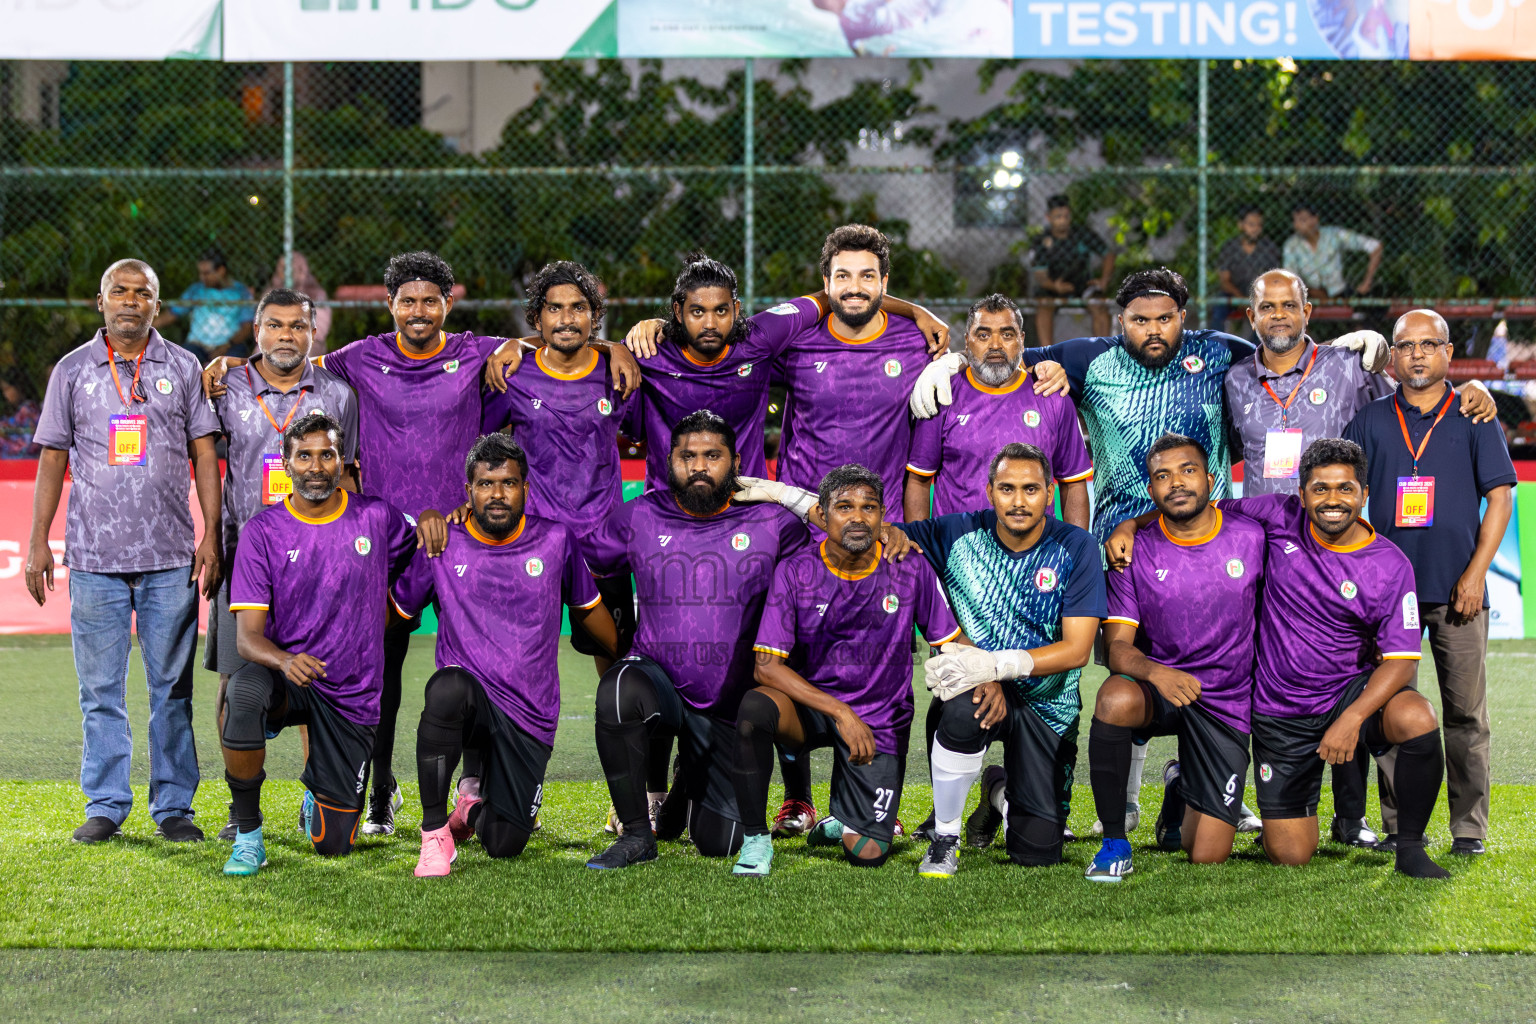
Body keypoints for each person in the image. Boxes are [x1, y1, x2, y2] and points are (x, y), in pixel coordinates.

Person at [911, 265, 1382, 834]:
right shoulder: (1088, 358)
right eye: (1139, 320)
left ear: (1183, 318)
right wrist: (947, 363)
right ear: (1120, 322)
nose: (1153, 329)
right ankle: (1127, 803)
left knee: (1223, 660)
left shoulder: (1218, 354)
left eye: (1164, 319)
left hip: (1209, 537)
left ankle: (1201, 780)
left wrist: (1346, 349)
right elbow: (1002, 348)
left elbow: (1281, 350)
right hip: (1124, 544)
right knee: (1126, 666)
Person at [206, 251, 525, 837]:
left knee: (480, 662)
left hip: (462, 539)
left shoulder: (478, 351)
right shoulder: (360, 357)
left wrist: (524, 345)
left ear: (449, 303)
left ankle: (474, 785)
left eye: (431, 300)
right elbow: (293, 362)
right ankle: (379, 790)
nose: (419, 310)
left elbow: (542, 347)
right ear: (390, 306)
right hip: (384, 544)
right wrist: (237, 363)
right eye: (408, 300)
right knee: (382, 667)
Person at [1224, 271, 1494, 846]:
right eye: (1266, 307)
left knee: (1413, 700)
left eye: (1289, 305)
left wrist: (1477, 391)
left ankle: (1406, 824)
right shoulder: (1239, 382)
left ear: (1308, 310)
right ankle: (1285, 803)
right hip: (1297, 565)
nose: (1278, 315)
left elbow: (1488, 484)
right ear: (1251, 316)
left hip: (1398, 572)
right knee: (1308, 688)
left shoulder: (1356, 374)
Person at [1108, 437, 1451, 879]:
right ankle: (1187, 787)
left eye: (1345, 489)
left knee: (1416, 715)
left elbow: (1402, 660)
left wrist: (1352, 719)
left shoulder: (1390, 563)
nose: (1332, 500)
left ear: (1364, 495)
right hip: (1280, 710)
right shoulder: (1276, 514)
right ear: (1302, 493)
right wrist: (1129, 526)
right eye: (1320, 488)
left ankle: (1410, 848)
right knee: (1287, 854)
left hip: (1348, 696)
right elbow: (1188, 508)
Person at [27, 259, 222, 845]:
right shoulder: (72, 371)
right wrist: (39, 538)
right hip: (92, 560)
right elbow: (52, 459)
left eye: (143, 294)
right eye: (121, 291)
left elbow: (205, 455)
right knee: (100, 693)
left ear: (157, 307)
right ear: (101, 301)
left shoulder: (183, 366)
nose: (131, 301)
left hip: (169, 557)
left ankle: (174, 808)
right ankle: (107, 804)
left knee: (173, 690)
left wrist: (211, 531)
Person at [578, 411, 812, 871]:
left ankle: (689, 779)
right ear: (670, 461)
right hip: (658, 683)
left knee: (719, 842)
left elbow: (841, 538)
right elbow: (573, 553)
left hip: (728, 707)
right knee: (620, 688)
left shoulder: (772, 521)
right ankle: (637, 836)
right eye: (687, 456)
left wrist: (788, 495)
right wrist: (610, 637)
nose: (699, 466)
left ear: (736, 462)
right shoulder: (642, 513)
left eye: (712, 456)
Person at [221, 414, 435, 876]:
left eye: (326, 455)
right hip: (291, 675)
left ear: (343, 462)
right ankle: (247, 834)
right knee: (240, 694)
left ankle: (324, 789)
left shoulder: (377, 517)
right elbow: (247, 639)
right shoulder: (263, 532)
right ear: (287, 463)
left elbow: (424, 545)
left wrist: (435, 521)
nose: (315, 466)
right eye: (304, 456)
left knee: (332, 844)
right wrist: (284, 660)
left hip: (351, 694)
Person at [396, 434, 617, 876]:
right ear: (468, 491)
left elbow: (591, 614)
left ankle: (471, 808)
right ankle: (435, 834)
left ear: (526, 489)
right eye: (485, 484)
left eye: (508, 483)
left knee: (504, 842)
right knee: (446, 688)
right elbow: (394, 613)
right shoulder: (442, 544)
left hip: (528, 714)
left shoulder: (556, 541)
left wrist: (630, 655)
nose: (497, 494)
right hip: (470, 705)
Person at [1343, 309, 1517, 857]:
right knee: (1395, 712)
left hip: (1458, 590)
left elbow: (1501, 497)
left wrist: (1475, 574)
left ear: (1447, 354)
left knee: (1466, 714)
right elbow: (1342, 498)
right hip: (1389, 599)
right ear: (1392, 358)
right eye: (1406, 345)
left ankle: (1469, 829)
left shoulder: (1474, 414)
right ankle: (1401, 824)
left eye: (1428, 344)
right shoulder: (1370, 420)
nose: (1416, 354)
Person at [737, 465, 964, 873]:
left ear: (882, 517)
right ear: (822, 515)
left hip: (878, 720)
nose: (858, 517)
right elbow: (766, 667)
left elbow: (949, 642)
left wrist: (988, 675)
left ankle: (843, 816)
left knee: (868, 854)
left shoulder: (910, 566)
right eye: (844, 507)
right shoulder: (795, 571)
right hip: (814, 712)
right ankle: (755, 840)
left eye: (868, 507)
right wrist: (840, 712)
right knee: (756, 708)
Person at [895, 443, 1104, 877]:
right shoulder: (955, 534)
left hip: (1049, 706)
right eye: (1007, 489)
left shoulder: (1077, 546)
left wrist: (992, 666)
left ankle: (996, 790)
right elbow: (861, 527)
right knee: (959, 705)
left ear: (1050, 493)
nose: (1019, 501)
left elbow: (1078, 650)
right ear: (989, 491)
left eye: (1031, 489)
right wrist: (788, 497)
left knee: (1037, 850)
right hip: (978, 692)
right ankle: (946, 837)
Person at [206, 287, 359, 840]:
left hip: (318, 568)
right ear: (257, 330)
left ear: (313, 333)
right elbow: (204, 461)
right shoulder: (226, 387)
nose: (286, 336)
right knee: (236, 686)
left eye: (297, 326)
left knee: (314, 679)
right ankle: (240, 807)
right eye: (275, 325)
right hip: (244, 561)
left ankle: (316, 795)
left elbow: (353, 476)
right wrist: (212, 541)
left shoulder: (339, 394)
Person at [1086, 434, 1266, 881]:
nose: (1176, 483)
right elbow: (1117, 649)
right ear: (1151, 490)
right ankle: (1114, 842)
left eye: (1187, 471)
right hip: (1162, 688)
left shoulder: (1252, 534)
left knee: (1206, 854)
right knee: (1114, 698)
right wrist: (1157, 673)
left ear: (1210, 478)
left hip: (1226, 699)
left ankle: (1178, 789)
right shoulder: (1133, 552)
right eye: (1162, 476)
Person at [619, 253, 951, 494]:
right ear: (678, 312)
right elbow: (579, 355)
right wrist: (614, 348)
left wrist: (916, 311)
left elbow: (836, 296)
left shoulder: (761, 338)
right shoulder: (647, 353)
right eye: (696, 312)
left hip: (746, 506)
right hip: (668, 507)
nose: (709, 323)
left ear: (736, 310)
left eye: (720, 311)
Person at [481, 260, 641, 677]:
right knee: (521, 659)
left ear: (594, 316)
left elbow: (648, 435)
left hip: (603, 541)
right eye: (554, 308)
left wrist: (616, 348)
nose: (567, 319)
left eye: (578, 307)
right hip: (535, 538)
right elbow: (480, 442)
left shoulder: (618, 374)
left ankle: (621, 735)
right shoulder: (513, 375)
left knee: (618, 657)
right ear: (537, 317)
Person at [904, 293, 1092, 523]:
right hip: (955, 551)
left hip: (1034, 555)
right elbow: (919, 481)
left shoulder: (1051, 396)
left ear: (1022, 340)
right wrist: (922, 549)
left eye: (1007, 334)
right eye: (983, 335)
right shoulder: (943, 395)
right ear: (967, 340)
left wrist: (1079, 551)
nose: (995, 345)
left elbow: (1073, 482)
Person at [1029, 194, 1115, 344]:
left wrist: (1104, 280)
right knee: (1043, 307)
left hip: (1082, 284)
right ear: (1048, 217)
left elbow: (1108, 254)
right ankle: (1047, 355)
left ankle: (1102, 355)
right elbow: (1040, 275)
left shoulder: (1082, 234)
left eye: (1066, 216)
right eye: (1058, 217)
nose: (1063, 220)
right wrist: (1054, 286)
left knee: (1099, 306)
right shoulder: (1042, 241)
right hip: (1053, 287)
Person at [154, 248, 254, 360]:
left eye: (206, 273)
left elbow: (247, 327)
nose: (202, 277)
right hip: (197, 345)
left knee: (234, 361)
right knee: (181, 359)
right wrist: (145, 327)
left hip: (230, 345)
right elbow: (172, 313)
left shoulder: (241, 292)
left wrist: (226, 346)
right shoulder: (196, 290)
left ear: (221, 270)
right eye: (200, 273)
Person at [1282, 204, 1383, 300]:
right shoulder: (1291, 245)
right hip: (1310, 297)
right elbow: (1291, 278)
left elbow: (1375, 246)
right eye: (1295, 221)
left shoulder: (1334, 235)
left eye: (1302, 220)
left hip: (1340, 293)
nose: (1297, 225)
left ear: (1315, 219)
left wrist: (1367, 282)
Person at [1209, 207, 1282, 330]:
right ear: (1241, 225)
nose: (1256, 229)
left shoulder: (1269, 248)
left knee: (1267, 312)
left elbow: (1273, 280)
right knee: (1218, 306)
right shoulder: (1229, 248)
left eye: (1259, 225)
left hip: (1261, 295)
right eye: (1251, 224)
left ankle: (1257, 348)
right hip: (1233, 293)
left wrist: (1255, 299)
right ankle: (1216, 346)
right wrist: (1240, 299)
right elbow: (1224, 281)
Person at [266, 253, 332, 353]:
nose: (286, 272)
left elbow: (320, 329)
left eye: (291, 267)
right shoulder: (270, 293)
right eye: (283, 268)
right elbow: (261, 324)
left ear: (301, 269)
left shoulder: (316, 293)